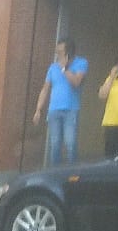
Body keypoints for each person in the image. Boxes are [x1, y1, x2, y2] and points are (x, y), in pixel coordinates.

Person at [33, 37, 88, 167]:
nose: (57, 55)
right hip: (54, 110)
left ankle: (72, 173)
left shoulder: (81, 63)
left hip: (71, 110)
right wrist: (38, 110)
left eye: (60, 52)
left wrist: (65, 69)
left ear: (68, 52)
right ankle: (54, 172)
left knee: (70, 143)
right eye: (56, 52)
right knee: (55, 144)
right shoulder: (52, 67)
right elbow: (45, 89)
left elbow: (76, 82)